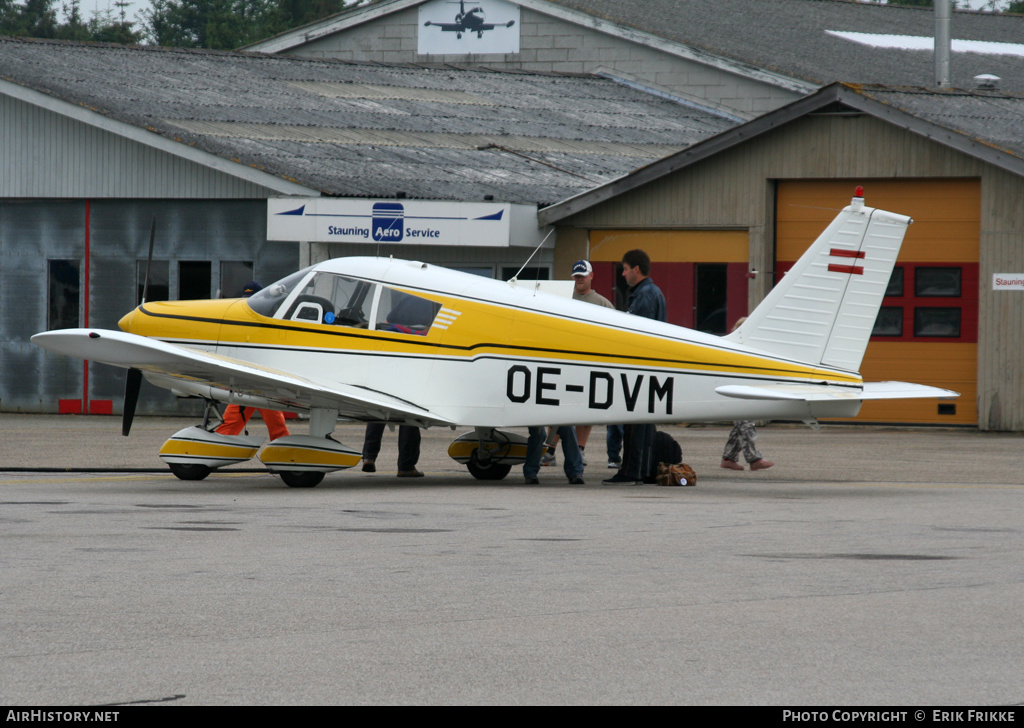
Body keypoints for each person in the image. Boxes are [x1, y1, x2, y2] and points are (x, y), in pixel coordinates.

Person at [540, 260, 615, 468]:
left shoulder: (603, 303)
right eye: (576, 276)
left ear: (591, 276)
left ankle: (579, 450)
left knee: (586, 410)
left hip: (591, 366)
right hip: (564, 364)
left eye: (583, 276)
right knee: (557, 408)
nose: (579, 279)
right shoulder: (561, 299)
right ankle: (550, 450)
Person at [603, 249, 666, 485]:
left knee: (633, 425)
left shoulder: (645, 295)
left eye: (625, 268)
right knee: (644, 425)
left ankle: (630, 472)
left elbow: (638, 335)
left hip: (640, 371)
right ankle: (644, 471)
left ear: (636, 269)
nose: (623, 274)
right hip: (650, 370)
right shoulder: (652, 292)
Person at [216, 281, 290, 441]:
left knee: (277, 427)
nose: (248, 304)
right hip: (245, 383)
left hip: (265, 384)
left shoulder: (273, 320)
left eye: (252, 299)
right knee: (229, 424)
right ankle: (214, 448)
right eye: (246, 299)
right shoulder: (239, 322)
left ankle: (286, 453)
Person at [719, 318, 774, 471]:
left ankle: (728, 458)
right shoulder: (736, 349)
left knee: (741, 426)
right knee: (746, 424)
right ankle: (754, 459)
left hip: (742, 390)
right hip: (737, 391)